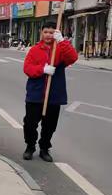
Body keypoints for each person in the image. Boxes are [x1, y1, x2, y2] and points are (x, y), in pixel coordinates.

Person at [22, 22, 78, 162]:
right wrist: (42, 69)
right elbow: (27, 68)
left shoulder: (60, 49)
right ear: (41, 33)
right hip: (35, 94)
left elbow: (73, 58)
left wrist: (62, 41)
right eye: (46, 32)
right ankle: (30, 146)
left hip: (54, 95)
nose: (48, 35)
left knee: (49, 126)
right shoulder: (34, 50)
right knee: (30, 124)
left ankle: (44, 148)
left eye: (52, 32)